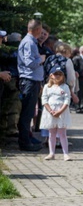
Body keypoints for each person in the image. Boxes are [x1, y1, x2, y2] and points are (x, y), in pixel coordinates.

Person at [17, 19, 46, 151]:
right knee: (27, 113)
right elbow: (29, 63)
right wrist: (41, 59)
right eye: (40, 30)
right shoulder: (29, 42)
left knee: (28, 113)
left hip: (32, 81)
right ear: (37, 30)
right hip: (29, 81)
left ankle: (26, 140)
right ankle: (25, 143)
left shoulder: (30, 42)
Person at [40, 63, 72, 161]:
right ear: (51, 75)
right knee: (51, 133)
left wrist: (60, 111)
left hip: (61, 112)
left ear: (63, 76)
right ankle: (51, 153)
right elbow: (44, 99)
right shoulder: (47, 87)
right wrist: (50, 110)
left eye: (59, 74)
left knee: (62, 133)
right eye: (55, 74)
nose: (57, 76)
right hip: (50, 112)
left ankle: (65, 154)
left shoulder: (65, 87)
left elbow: (67, 100)